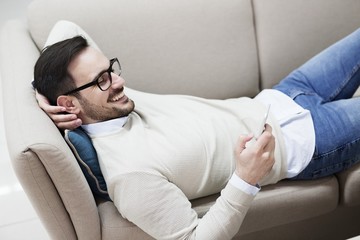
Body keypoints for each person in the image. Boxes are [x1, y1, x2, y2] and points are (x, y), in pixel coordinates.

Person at [33, 21, 360, 239]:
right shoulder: (130, 175)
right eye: (102, 80)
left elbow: (66, 27)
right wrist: (244, 180)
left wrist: (39, 91)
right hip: (309, 141)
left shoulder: (112, 102)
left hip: (284, 94)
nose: (118, 82)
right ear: (71, 103)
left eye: (111, 69)